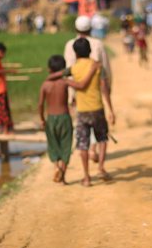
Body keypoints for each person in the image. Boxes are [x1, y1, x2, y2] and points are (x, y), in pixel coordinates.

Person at [39, 55, 98, 184]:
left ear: (49, 69)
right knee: (66, 146)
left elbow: (40, 104)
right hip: (64, 117)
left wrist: (42, 119)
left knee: (53, 145)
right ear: (63, 68)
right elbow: (80, 86)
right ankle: (63, 175)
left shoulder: (45, 84)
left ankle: (56, 166)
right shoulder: (65, 82)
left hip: (51, 119)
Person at [64, 15, 113, 163]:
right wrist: (108, 88)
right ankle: (93, 149)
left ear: (75, 29)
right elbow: (105, 68)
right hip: (95, 90)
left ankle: (89, 150)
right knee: (96, 121)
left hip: (76, 91)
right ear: (90, 28)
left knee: (83, 121)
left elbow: (68, 69)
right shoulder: (97, 44)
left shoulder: (70, 45)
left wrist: (69, 94)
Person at [67, 38, 115, 186]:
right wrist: (111, 109)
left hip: (82, 111)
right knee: (102, 139)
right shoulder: (97, 66)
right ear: (89, 51)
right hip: (97, 108)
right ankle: (101, 168)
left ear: (75, 53)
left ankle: (87, 177)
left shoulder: (73, 68)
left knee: (83, 144)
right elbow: (104, 88)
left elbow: (62, 76)